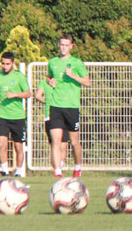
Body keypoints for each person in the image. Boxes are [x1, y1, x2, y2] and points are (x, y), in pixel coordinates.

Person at [46, 33, 90, 177]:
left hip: (71, 107)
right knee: (56, 140)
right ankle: (58, 172)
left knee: (74, 141)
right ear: (58, 45)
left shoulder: (76, 63)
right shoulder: (52, 62)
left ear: (71, 46)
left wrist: (73, 76)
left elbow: (87, 82)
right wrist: (50, 81)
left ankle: (77, 167)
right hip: (55, 105)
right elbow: (49, 76)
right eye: (62, 44)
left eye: (66, 45)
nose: (64, 48)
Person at [0, 52, 31, 177]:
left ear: (13, 64)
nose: (5, 66)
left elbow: (28, 93)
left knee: (18, 146)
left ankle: (19, 171)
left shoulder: (19, 77)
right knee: (1, 144)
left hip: (17, 117)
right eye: (3, 64)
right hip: (2, 115)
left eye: (7, 64)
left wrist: (15, 94)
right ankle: (4, 171)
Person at [35, 77, 69, 173]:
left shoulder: (62, 82)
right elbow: (37, 95)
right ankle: (57, 170)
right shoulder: (45, 82)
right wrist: (48, 102)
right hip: (53, 116)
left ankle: (58, 169)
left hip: (59, 115)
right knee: (59, 145)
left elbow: (38, 95)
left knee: (58, 145)